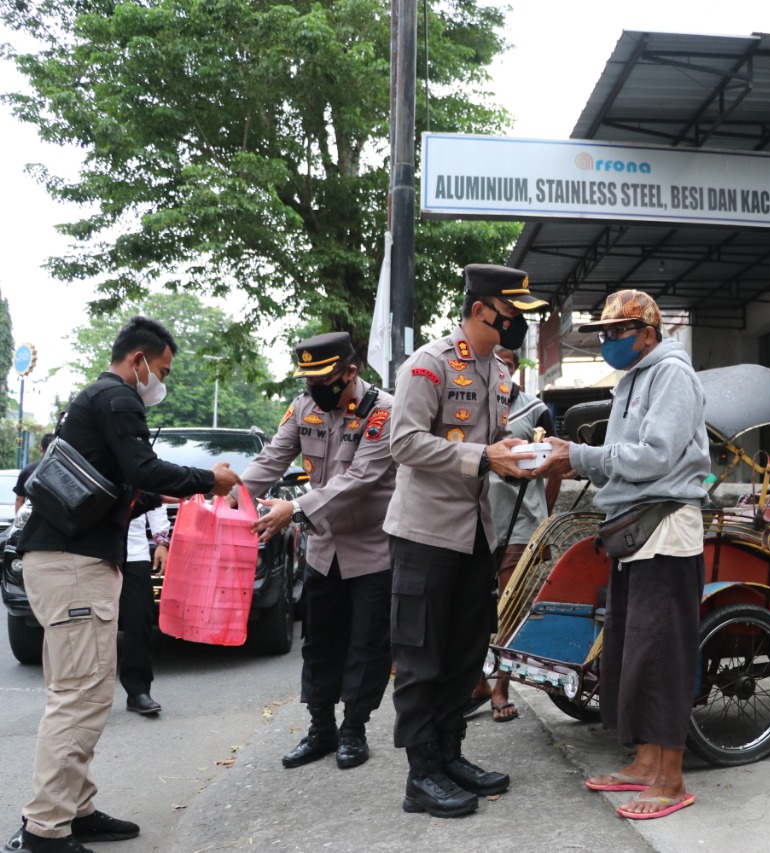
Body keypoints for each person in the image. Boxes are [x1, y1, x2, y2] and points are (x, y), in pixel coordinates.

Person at [4, 316, 240, 853]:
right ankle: (44, 829)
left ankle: (75, 809)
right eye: (160, 369)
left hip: (68, 560)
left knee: (85, 692)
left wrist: (182, 494)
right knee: (78, 696)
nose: (161, 381)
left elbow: (126, 486)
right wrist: (210, 480)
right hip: (73, 565)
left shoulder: (94, 402)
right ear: (138, 361)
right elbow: (145, 469)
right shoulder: (117, 400)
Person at [537, 289, 710, 821]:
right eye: (604, 333)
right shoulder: (634, 377)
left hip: (664, 527)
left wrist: (579, 457)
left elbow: (656, 456)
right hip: (634, 529)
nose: (608, 341)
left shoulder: (672, 374)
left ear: (649, 334)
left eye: (617, 332)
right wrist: (575, 459)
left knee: (661, 654)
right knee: (634, 651)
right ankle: (644, 763)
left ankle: (671, 778)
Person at [384, 263, 545, 819]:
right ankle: (420, 774)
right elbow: (402, 442)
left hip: (477, 534)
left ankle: (450, 756)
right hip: (425, 534)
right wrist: (483, 457)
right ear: (481, 310)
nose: (517, 324)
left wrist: (523, 457)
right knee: (422, 656)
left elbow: (494, 444)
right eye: (511, 314)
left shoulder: (497, 373)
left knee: (463, 653)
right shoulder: (429, 365)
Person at [238, 332, 396, 772]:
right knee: (319, 642)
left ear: (351, 372)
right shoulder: (304, 406)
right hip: (323, 548)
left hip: (371, 548)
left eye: (324, 379)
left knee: (367, 644)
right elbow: (271, 458)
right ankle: (321, 727)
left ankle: (354, 729)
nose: (315, 389)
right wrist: (230, 501)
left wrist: (295, 509)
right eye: (309, 380)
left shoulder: (382, 411)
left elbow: (362, 477)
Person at [469, 345, 561, 723]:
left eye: (506, 364)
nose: (500, 371)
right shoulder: (472, 405)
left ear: (515, 367)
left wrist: (544, 516)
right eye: (493, 365)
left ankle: (503, 687)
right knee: (472, 608)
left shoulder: (535, 409)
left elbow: (555, 465)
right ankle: (478, 682)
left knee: (510, 608)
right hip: (476, 521)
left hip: (521, 523)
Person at [117, 507, 169, 715]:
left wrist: (162, 542)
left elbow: (156, 499)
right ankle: (84, 696)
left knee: (139, 619)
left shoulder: (139, 473)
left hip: (134, 553)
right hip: (94, 553)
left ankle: (138, 692)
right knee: (89, 624)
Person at [13, 434, 54, 514]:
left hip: (32, 518)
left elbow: (19, 499)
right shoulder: (63, 471)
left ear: (40, 448)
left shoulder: (27, 470)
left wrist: (19, 524)